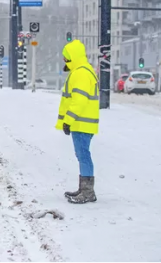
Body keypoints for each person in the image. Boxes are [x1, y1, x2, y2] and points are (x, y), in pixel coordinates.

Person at [55, 39, 100, 204]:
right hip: (81, 123)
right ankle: (84, 189)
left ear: (73, 57)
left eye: (66, 58)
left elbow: (78, 101)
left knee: (83, 156)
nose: (64, 61)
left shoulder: (81, 73)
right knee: (82, 155)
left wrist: (68, 120)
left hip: (81, 123)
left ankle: (87, 192)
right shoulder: (82, 71)